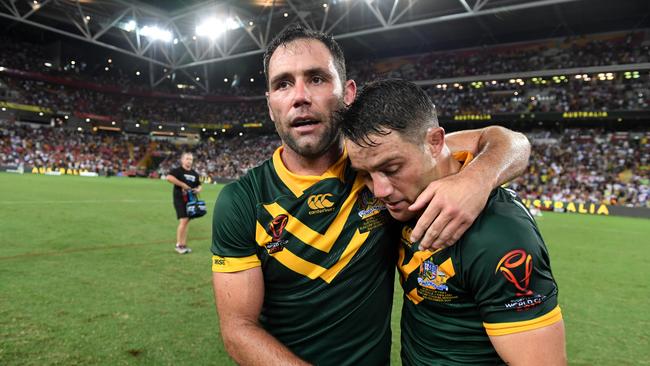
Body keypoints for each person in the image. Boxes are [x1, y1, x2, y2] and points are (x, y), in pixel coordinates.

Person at [211, 25, 531, 366]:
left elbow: (510, 142)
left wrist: (476, 181)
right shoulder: (242, 201)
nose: (299, 96)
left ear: (349, 93)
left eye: (317, 78)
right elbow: (238, 328)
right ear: (270, 103)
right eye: (283, 83)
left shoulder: (385, 165)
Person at [342, 79, 565, 365]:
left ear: (436, 143)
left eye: (392, 168)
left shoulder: (500, 237)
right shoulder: (407, 194)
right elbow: (497, 137)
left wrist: (477, 178)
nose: (380, 190)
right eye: (366, 174)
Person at [167, 152, 202, 254]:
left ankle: (183, 245)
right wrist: (183, 184)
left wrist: (198, 189)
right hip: (180, 199)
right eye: (187, 159)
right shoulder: (178, 171)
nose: (189, 161)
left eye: (191, 159)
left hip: (191, 200)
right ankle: (179, 245)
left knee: (186, 222)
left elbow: (199, 185)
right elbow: (169, 178)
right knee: (184, 220)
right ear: (182, 160)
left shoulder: (194, 173)